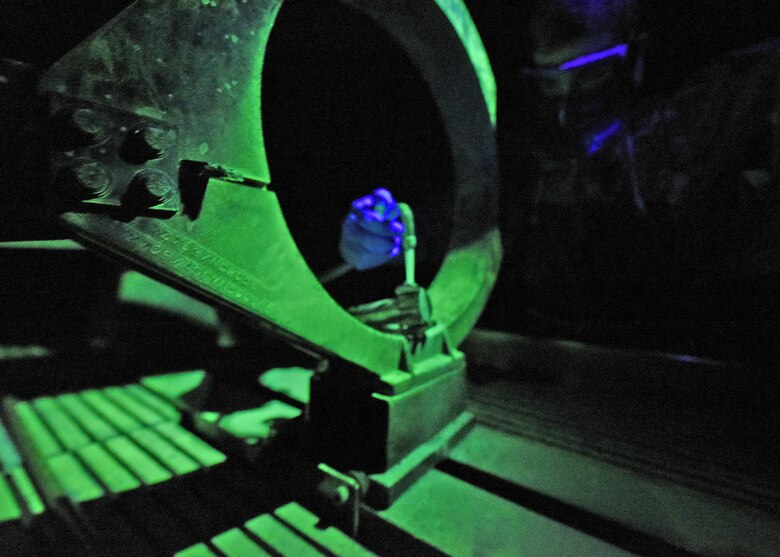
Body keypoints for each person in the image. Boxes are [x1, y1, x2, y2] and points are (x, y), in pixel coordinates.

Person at [501, 0, 780, 361]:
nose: (566, 107)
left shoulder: (686, 129)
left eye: (589, 75)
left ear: (636, 56)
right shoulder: (522, 153)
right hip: (544, 360)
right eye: (550, 83)